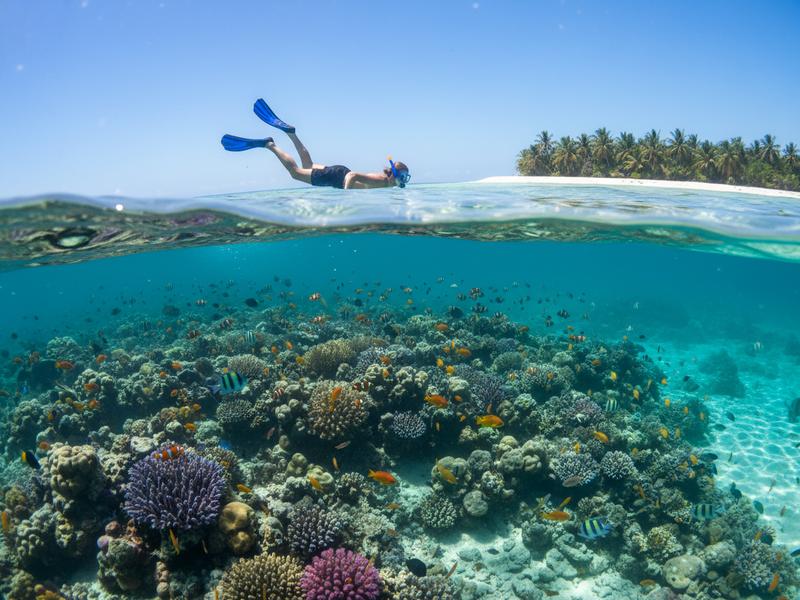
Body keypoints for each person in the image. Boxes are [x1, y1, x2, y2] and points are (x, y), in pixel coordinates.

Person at [222, 99, 411, 190]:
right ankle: (270, 145)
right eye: (403, 176)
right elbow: (353, 176)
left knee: (308, 166)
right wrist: (347, 199)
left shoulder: (385, 183)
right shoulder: (382, 182)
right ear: (394, 174)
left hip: (338, 172)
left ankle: (291, 134)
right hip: (337, 177)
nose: (404, 180)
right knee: (295, 173)